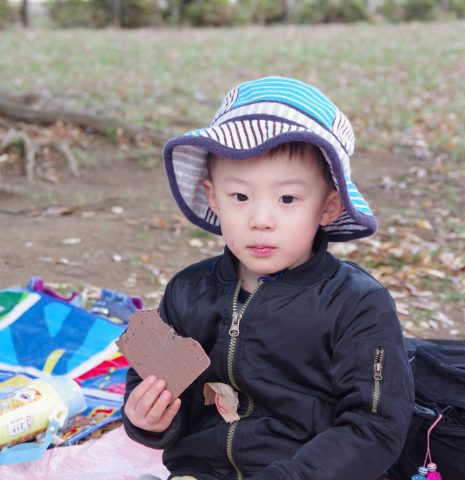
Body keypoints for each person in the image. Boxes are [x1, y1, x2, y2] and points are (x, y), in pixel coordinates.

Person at [122, 76, 415, 480]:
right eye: (240, 197)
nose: (261, 220)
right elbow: (154, 382)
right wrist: (148, 419)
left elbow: (374, 426)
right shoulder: (187, 291)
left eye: (288, 199)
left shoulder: (357, 304)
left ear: (328, 206)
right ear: (213, 197)